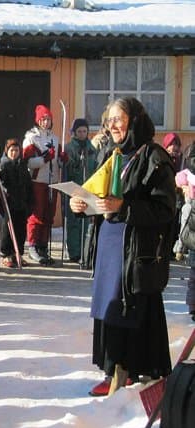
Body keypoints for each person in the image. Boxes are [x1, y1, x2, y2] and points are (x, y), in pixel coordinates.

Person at [69, 97, 175, 397]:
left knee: (128, 306)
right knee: (109, 305)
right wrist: (82, 205)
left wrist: (124, 207)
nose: (112, 125)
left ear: (135, 120)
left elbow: (165, 209)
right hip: (109, 243)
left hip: (137, 250)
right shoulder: (112, 155)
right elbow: (101, 195)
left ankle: (126, 370)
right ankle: (112, 367)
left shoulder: (154, 157)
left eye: (118, 119)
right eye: (109, 120)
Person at [23, 104, 68, 265]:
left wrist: (62, 160)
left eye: (48, 119)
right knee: (37, 214)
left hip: (53, 180)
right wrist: (44, 159)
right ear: (38, 121)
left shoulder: (55, 139)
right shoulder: (31, 138)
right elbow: (28, 162)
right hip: (38, 180)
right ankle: (33, 246)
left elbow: (58, 164)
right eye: (43, 119)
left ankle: (43, 246)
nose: (46, 122)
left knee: (49, 215)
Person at [63, 118, 98, 263]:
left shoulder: (92, 148)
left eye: (84, 131)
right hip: (74, 187)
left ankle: (85, 251)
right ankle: (74, 252)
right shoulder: (69, 148)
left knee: (85, 221)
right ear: (74, 132)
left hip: (88, 186)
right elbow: (67, 168)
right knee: (73, 221)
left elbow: (95, 167)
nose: (82, 134)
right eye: (79, 131)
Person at [0, 138, 33, 267]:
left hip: (21, 203)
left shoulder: (22, 165)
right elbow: (0, 184)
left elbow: (28, 184)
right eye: (11, 150)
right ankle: (6, 254)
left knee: (20, 230)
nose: (14, 153)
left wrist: (29, 201)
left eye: (16, 150)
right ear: (7, 151)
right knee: (7, 230)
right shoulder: (3, 165)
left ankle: (17, 253)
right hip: (9, 203)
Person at [175, 153, 195, 322]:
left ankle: (193, 306)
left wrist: (180, 248)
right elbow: (184, 231)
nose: (184, 191)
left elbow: (184, 232)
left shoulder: (189, 207)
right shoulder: (188, 207)